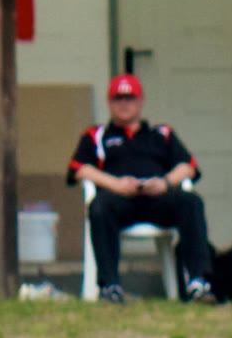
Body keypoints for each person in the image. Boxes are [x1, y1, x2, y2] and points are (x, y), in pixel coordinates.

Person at [67, 73, 217, 304]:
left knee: (191, 201)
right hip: (119, 201)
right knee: (98, 207)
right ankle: (109, 287)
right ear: (109, 102)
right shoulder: (96, 135)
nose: (124, 104)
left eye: (130, 98)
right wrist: (116, 185)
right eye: (118, 98)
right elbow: (78, 169)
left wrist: (165, 183)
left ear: (140, 101)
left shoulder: (161, 133)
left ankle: (199, 283)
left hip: (157, 199)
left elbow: (188, 167)